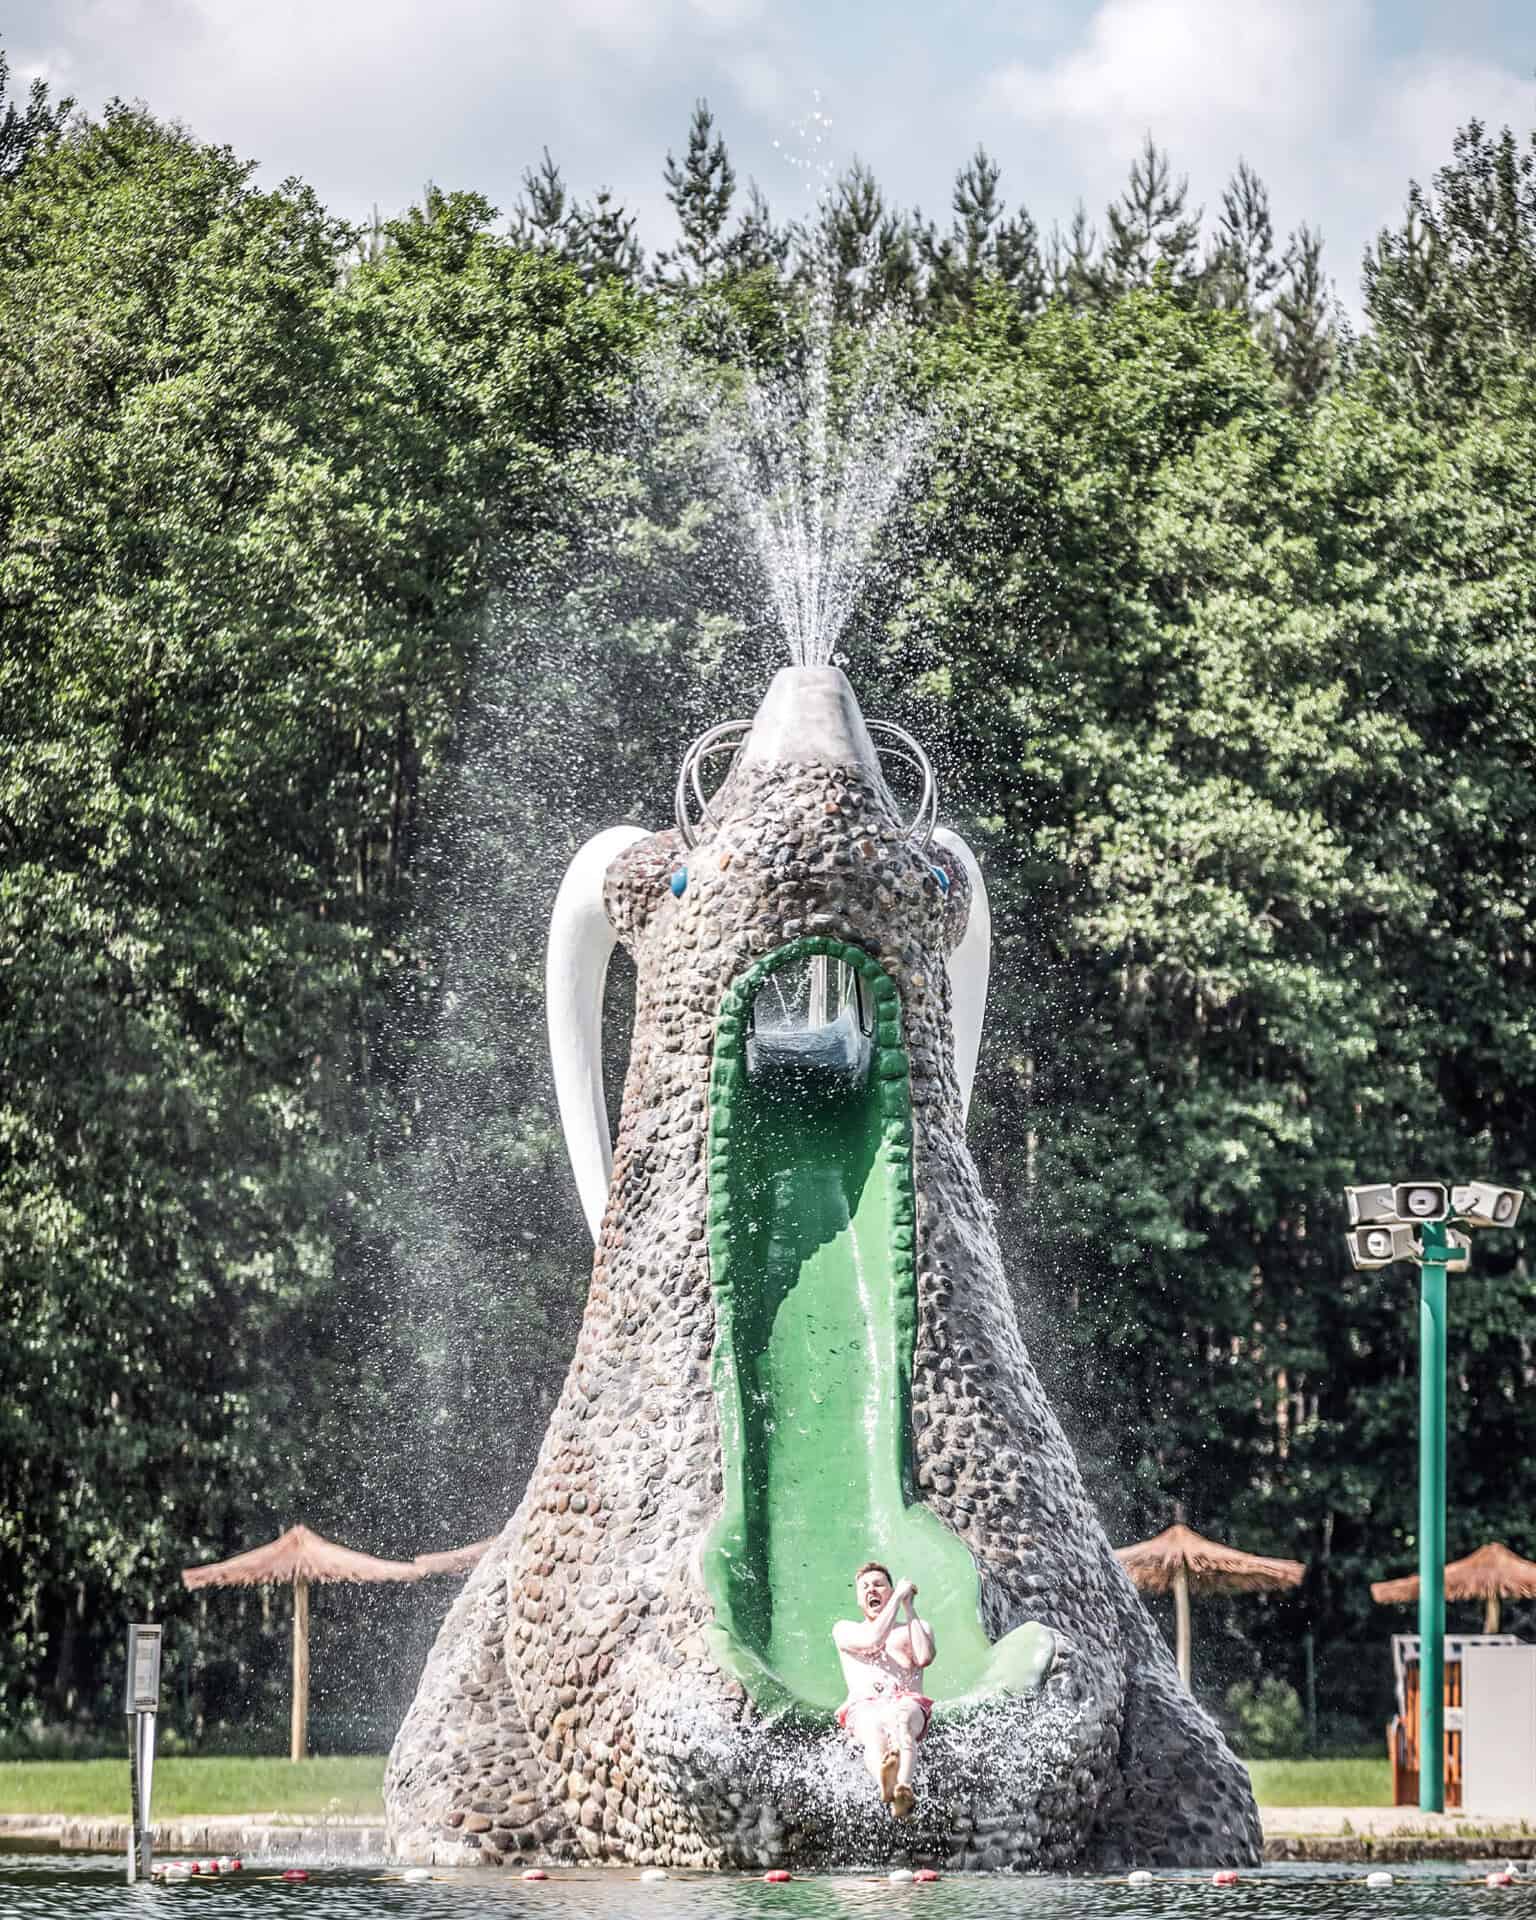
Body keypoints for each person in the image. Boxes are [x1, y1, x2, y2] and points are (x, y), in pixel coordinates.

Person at [833, 1560, 935, 1819]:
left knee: (902, 1722)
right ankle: (887, 1786)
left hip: (905, 1701)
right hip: (865, 1705)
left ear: (890, 1590)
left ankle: (902, 1788)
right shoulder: (845, 1629)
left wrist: (908, 1607)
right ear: (858, 1599)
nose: (872, 1590)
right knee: (872, 1732)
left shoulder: (916, 1627)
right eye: (865, 1587)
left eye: (879, 1585)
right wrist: (897, 1599)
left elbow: (924, 1657)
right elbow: (872, 1641)